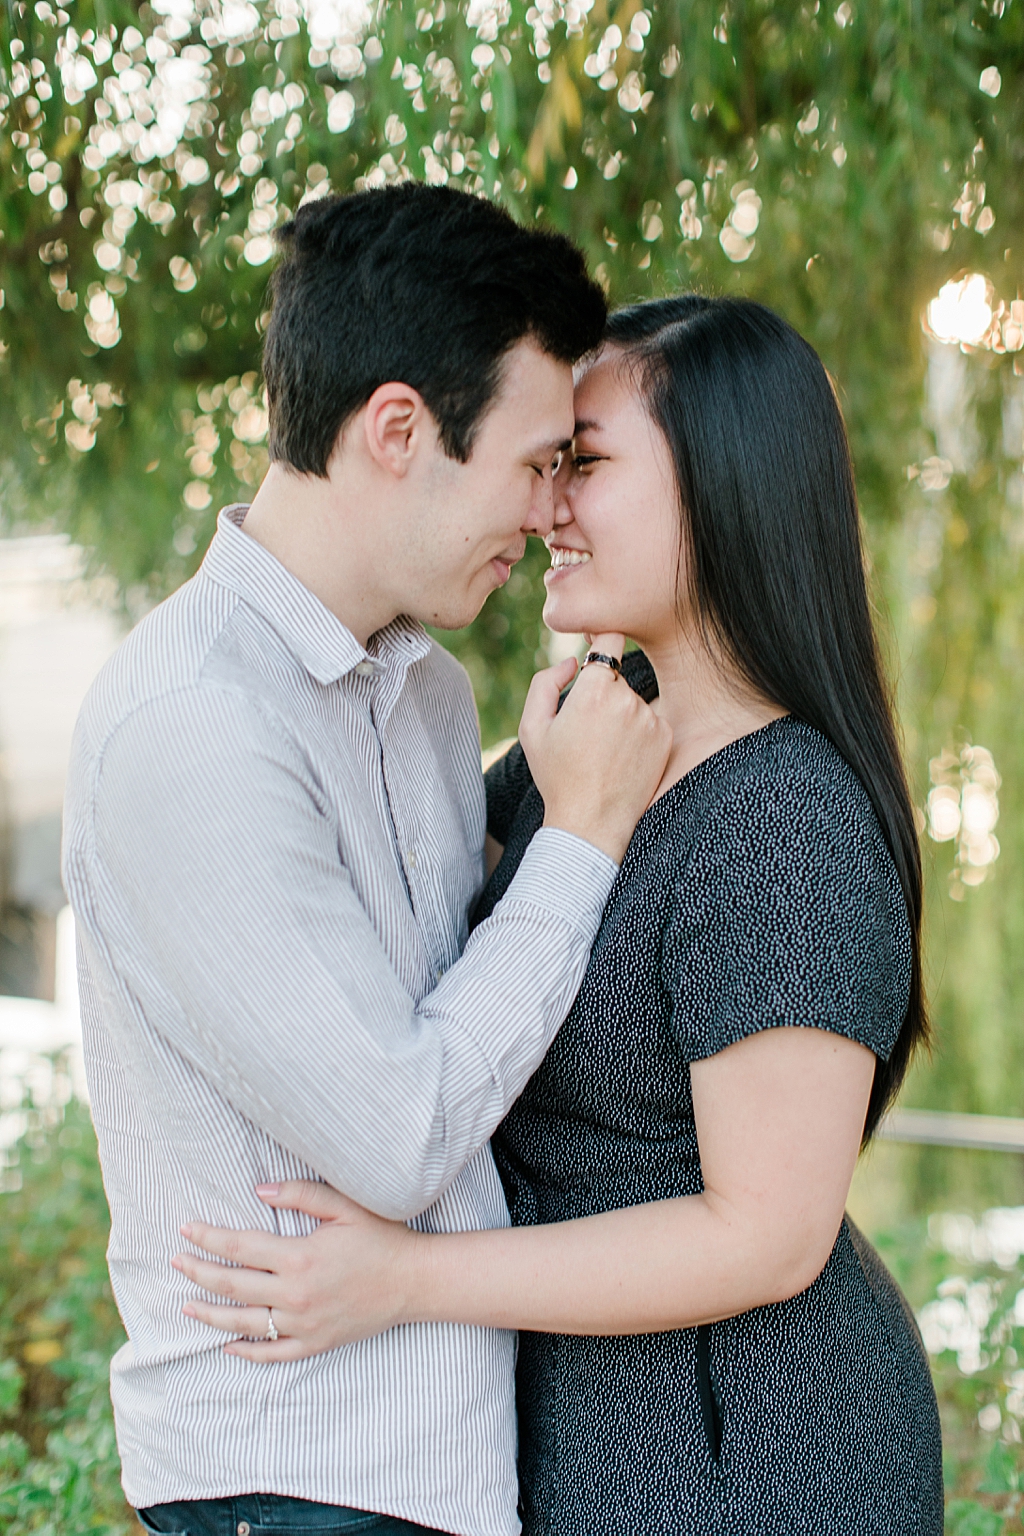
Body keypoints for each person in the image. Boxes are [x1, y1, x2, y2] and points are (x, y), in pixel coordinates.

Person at [176, 296, 945, 1535]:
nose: (543, 507)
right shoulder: (575, 752)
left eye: (582, 464)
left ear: (724, 488)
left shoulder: (785, 819)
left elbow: (766, 1236)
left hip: (749, 1461)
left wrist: (407, 1280)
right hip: (578, 1442)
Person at [61, 186, 672, 1536]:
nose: (549, 514)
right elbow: (399, 1135)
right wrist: (578, 839)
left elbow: (470, 1041)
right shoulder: (193, 729)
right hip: (292, 1479)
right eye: (532, 464)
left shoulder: (432, 695)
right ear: (398, 430)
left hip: (446, 1471)